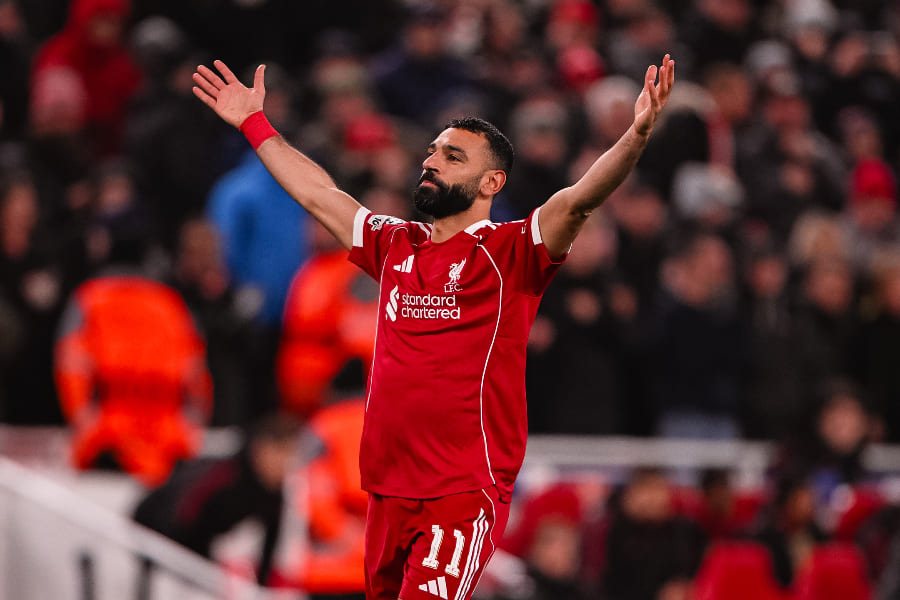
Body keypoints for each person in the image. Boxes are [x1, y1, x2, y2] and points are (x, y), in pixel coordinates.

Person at [191, 52, 674, 600]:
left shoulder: (511, 252)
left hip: (460, 492)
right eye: (432, 151)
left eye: (452, 155)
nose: (432, 161)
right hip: (386, 489)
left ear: (492, 181)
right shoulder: (394, 243)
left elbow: (579, 201)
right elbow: (317, 193)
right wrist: (255, 124)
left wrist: (635, 136)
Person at [132, 412, 301, 588]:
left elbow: (270, 542)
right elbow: (182, 512)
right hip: (153, 523)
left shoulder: (274, 493)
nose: (285, 464)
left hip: (196, 539)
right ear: (261, 449)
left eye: (291, 455)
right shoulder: (225, 473)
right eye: (282, 453)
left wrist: (260, 589)